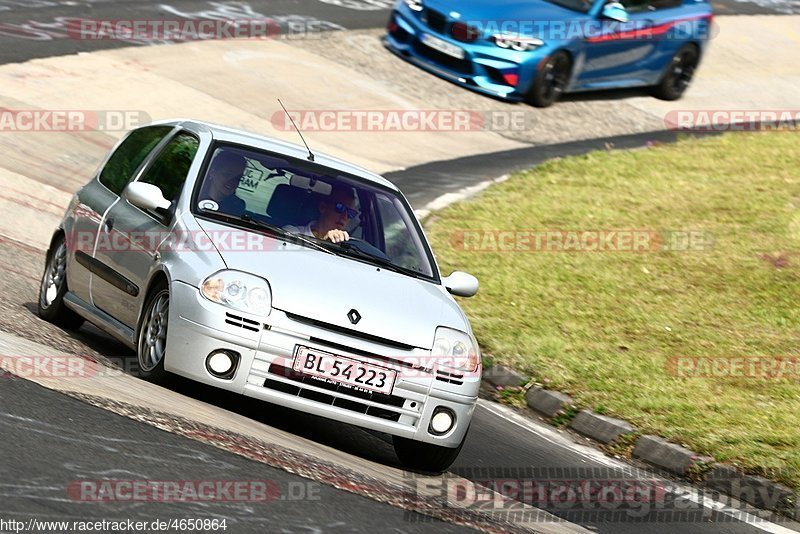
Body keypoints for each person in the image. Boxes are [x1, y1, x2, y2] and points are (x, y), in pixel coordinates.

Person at [285, 185, 359, 243]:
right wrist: (325, 243)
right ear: (322, 207)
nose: (345, 216)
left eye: (350, 213)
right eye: (340, 208)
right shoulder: (293, 232)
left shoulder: (349, 248)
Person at [200, 151, 247, 216]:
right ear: (212, 172)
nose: (232, 181)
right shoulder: (193, 198)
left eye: (238, 178)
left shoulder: (237, 207)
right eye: (227, 174)